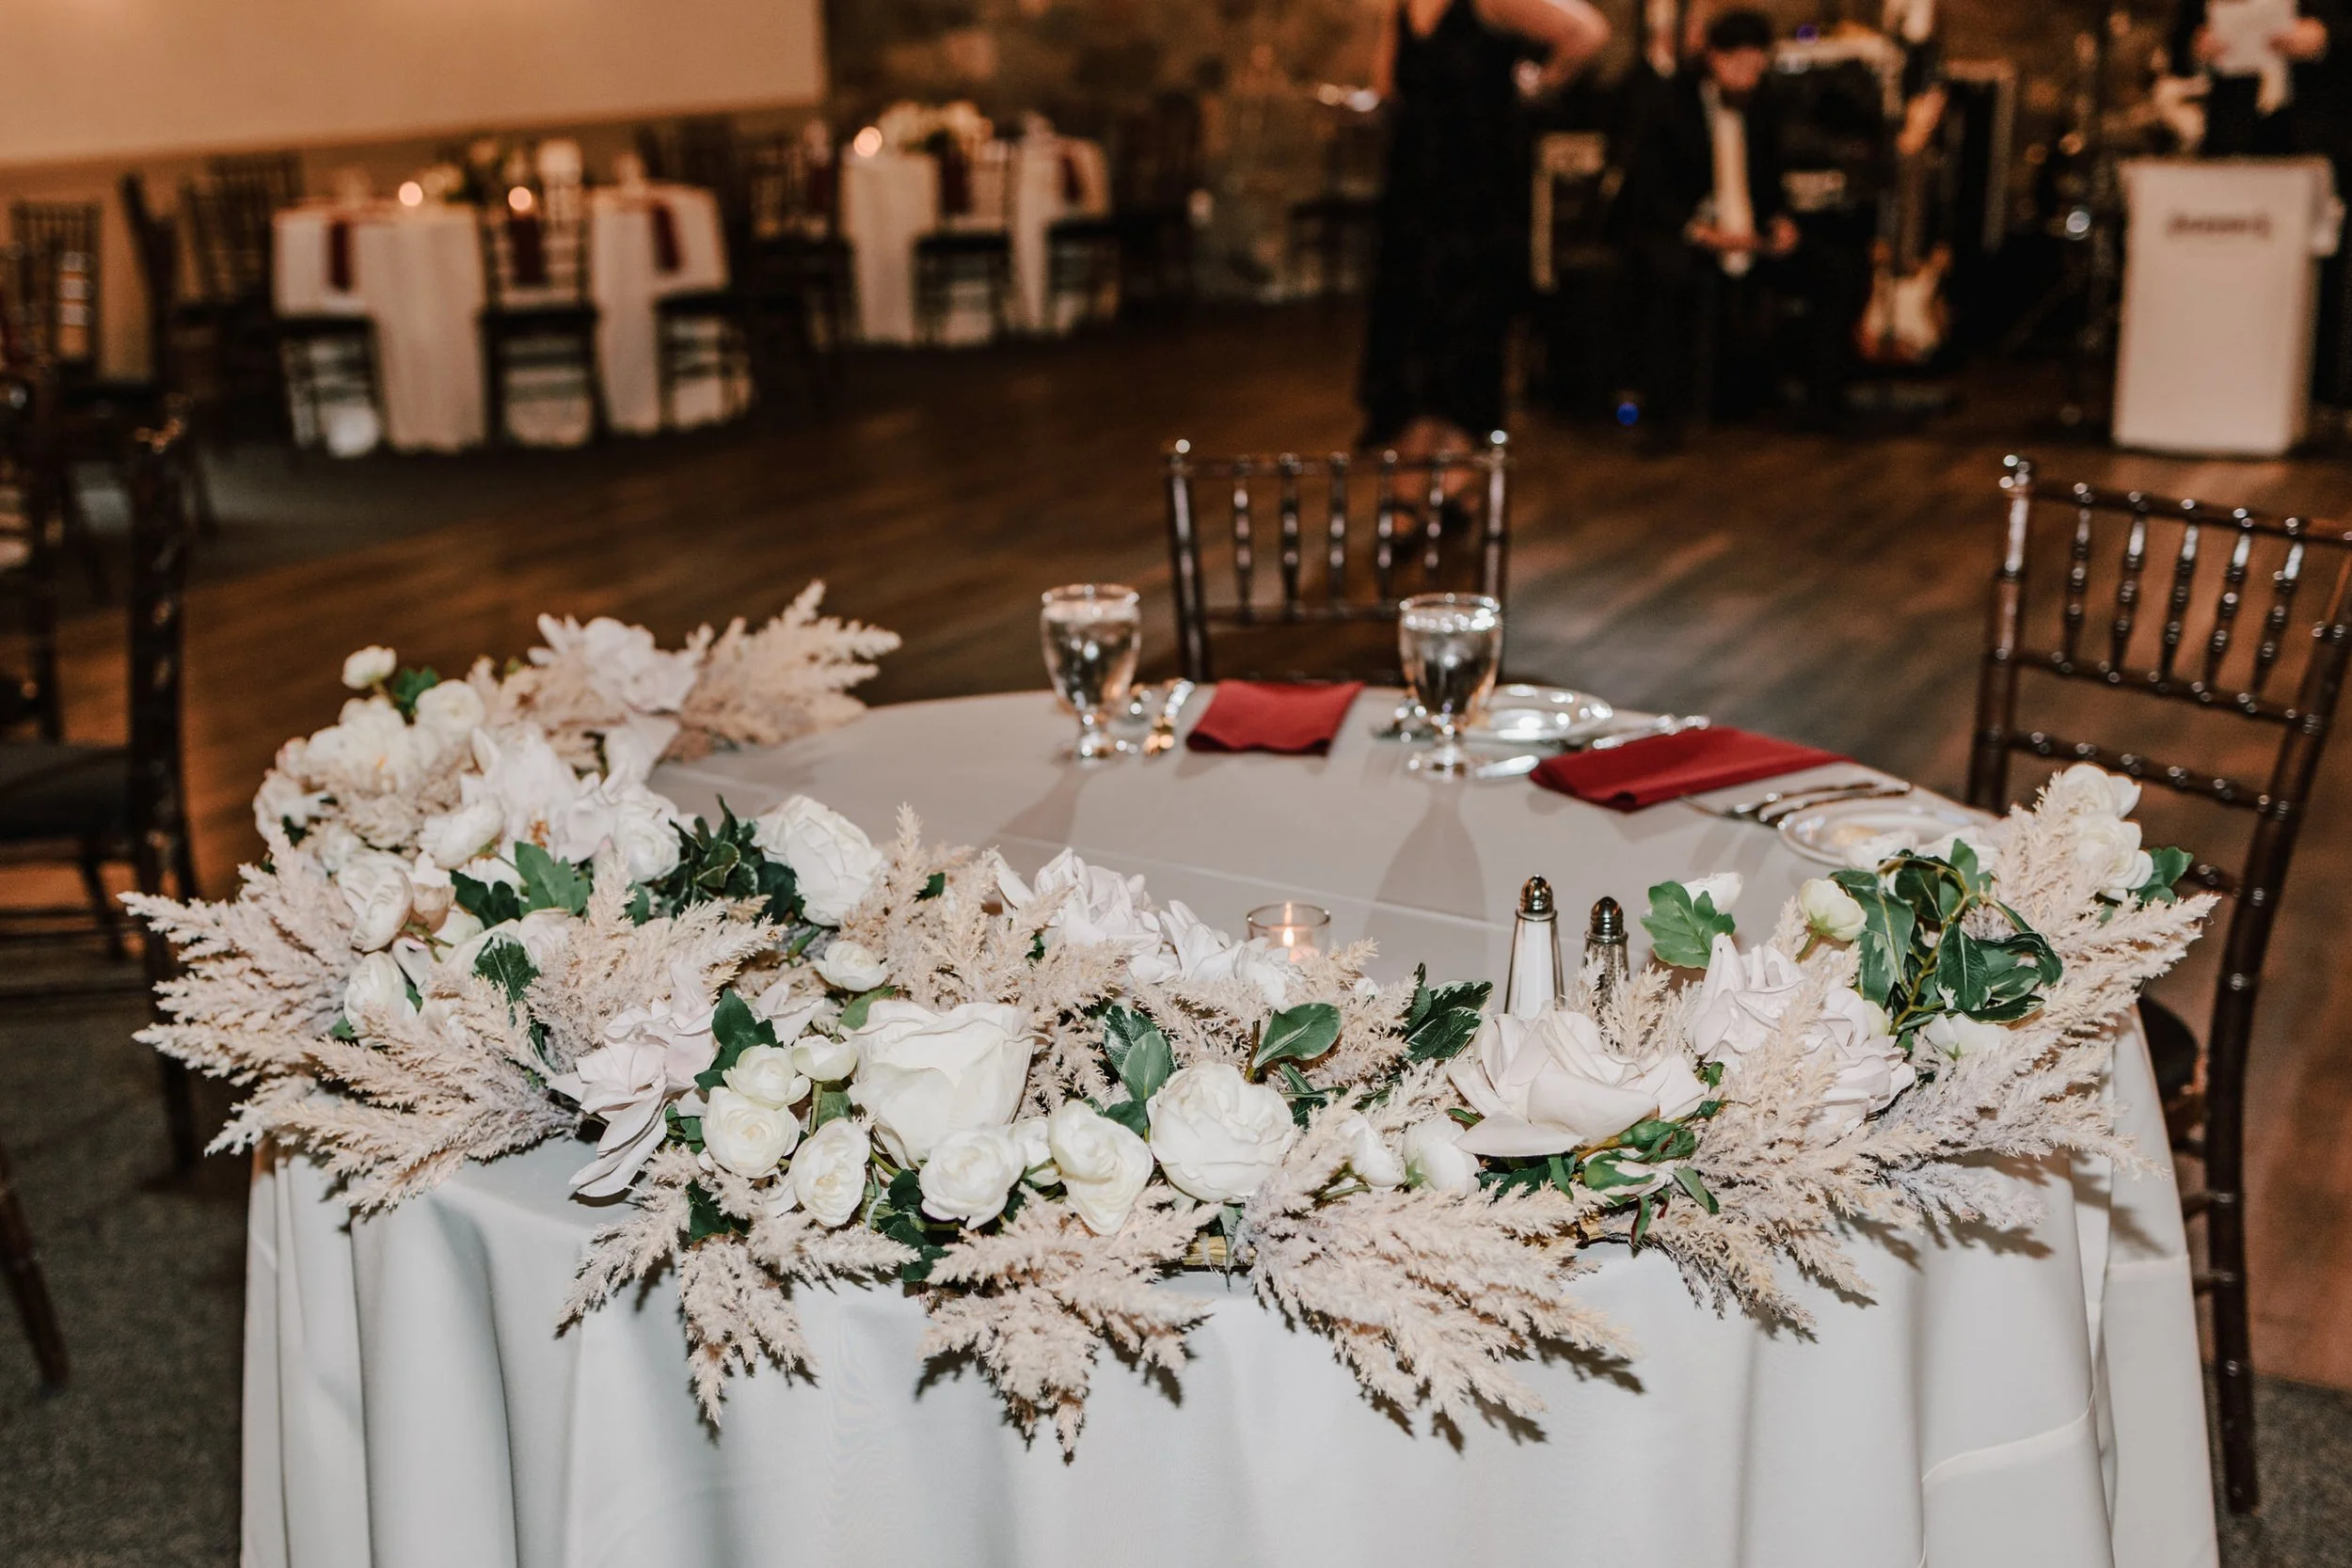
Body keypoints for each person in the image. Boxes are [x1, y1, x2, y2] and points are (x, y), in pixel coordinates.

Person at [1357, 0, 1610, 471]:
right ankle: (1423, 471)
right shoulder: (1402, 9)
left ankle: (1452, 471)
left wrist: (1538, 85)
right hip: (1414, 192)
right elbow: (1388, 87)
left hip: (1476, 193)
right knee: (1410, 331)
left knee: (1462, 329)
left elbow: (1589, 32)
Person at [1612, 8, 1796, 449]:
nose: (1749, 75)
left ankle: (1812, 404)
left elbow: (1773, 179)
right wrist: (1705, 233)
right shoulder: (1671, 103)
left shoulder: (1767, 105)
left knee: (1836, 266)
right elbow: (1651, 191)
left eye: (1757, 65)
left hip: (1748, 230)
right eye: (1739, 63)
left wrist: (1782, 221)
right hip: (1686, 231)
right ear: (1714, 58)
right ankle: (1665, 415)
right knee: (1669, 276)